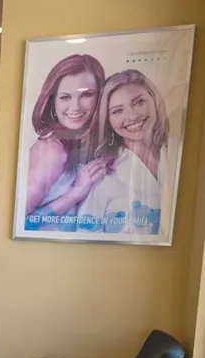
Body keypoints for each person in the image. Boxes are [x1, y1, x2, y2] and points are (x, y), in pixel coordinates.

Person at [77, 69, 169, 236]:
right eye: (117, 111)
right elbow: (84, 241)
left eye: (139, 102)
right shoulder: (100, 175)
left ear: (154, 100)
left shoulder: (180, 159)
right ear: (108, 121)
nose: (132, 116)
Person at [24, 54, 108, 231]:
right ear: (52, 101)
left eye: (86, 95)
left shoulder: (85, 144)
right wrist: (75, 194)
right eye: (65, 97)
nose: (75, 107)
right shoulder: (52, 151)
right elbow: (22, 222)